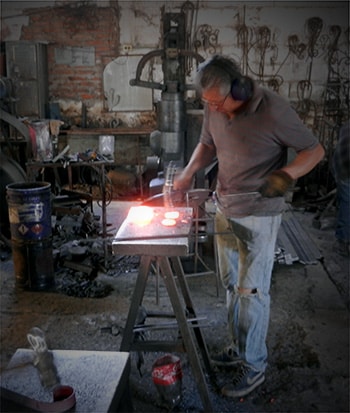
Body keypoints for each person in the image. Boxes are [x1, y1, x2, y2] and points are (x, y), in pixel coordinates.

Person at [173, 55, 325, 398]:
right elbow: (207, 144)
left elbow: (314, 151)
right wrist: (186, 173)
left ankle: (254, 366)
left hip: (259, 212)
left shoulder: (274, 110)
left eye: (218, 102)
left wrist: (287, 174)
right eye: (207, 103)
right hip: (225, 206)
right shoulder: (214, 106)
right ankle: (236, 345)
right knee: (230, 286)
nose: (215, 109)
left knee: (251, 292)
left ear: (238, 88)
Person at [332, 120, 350, 256]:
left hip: (340, 168)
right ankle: (343, 240)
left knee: (346, 204)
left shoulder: (346, 126)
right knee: (347, 205)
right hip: (346, 170)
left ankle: (343, 240)